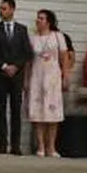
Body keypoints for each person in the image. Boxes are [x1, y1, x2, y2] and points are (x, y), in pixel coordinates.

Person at [0, 0, 32, 155]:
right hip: (0, 73)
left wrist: (16, 66)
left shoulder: (22, 29)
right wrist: (5, 66)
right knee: (0, 108)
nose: (1, 11)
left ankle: (15, 145)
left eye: (4, 8)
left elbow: (27, 52)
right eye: (0, 8)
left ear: (12, 10)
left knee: (15, 109)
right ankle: (2, 144)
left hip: (17, 75)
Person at [25, 9, 66, 157]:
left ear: (48, 22)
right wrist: (26, 79)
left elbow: (64, 57)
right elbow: (29, 61)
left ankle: (52, 147)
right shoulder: (32, 38)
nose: (38, 21)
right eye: (37, 18)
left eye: (41, 18)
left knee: (52, 113)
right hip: (37, 76)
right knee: (38, 112)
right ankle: (41, 146)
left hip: (53, 77)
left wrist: (65, 76)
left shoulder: (58, 36)